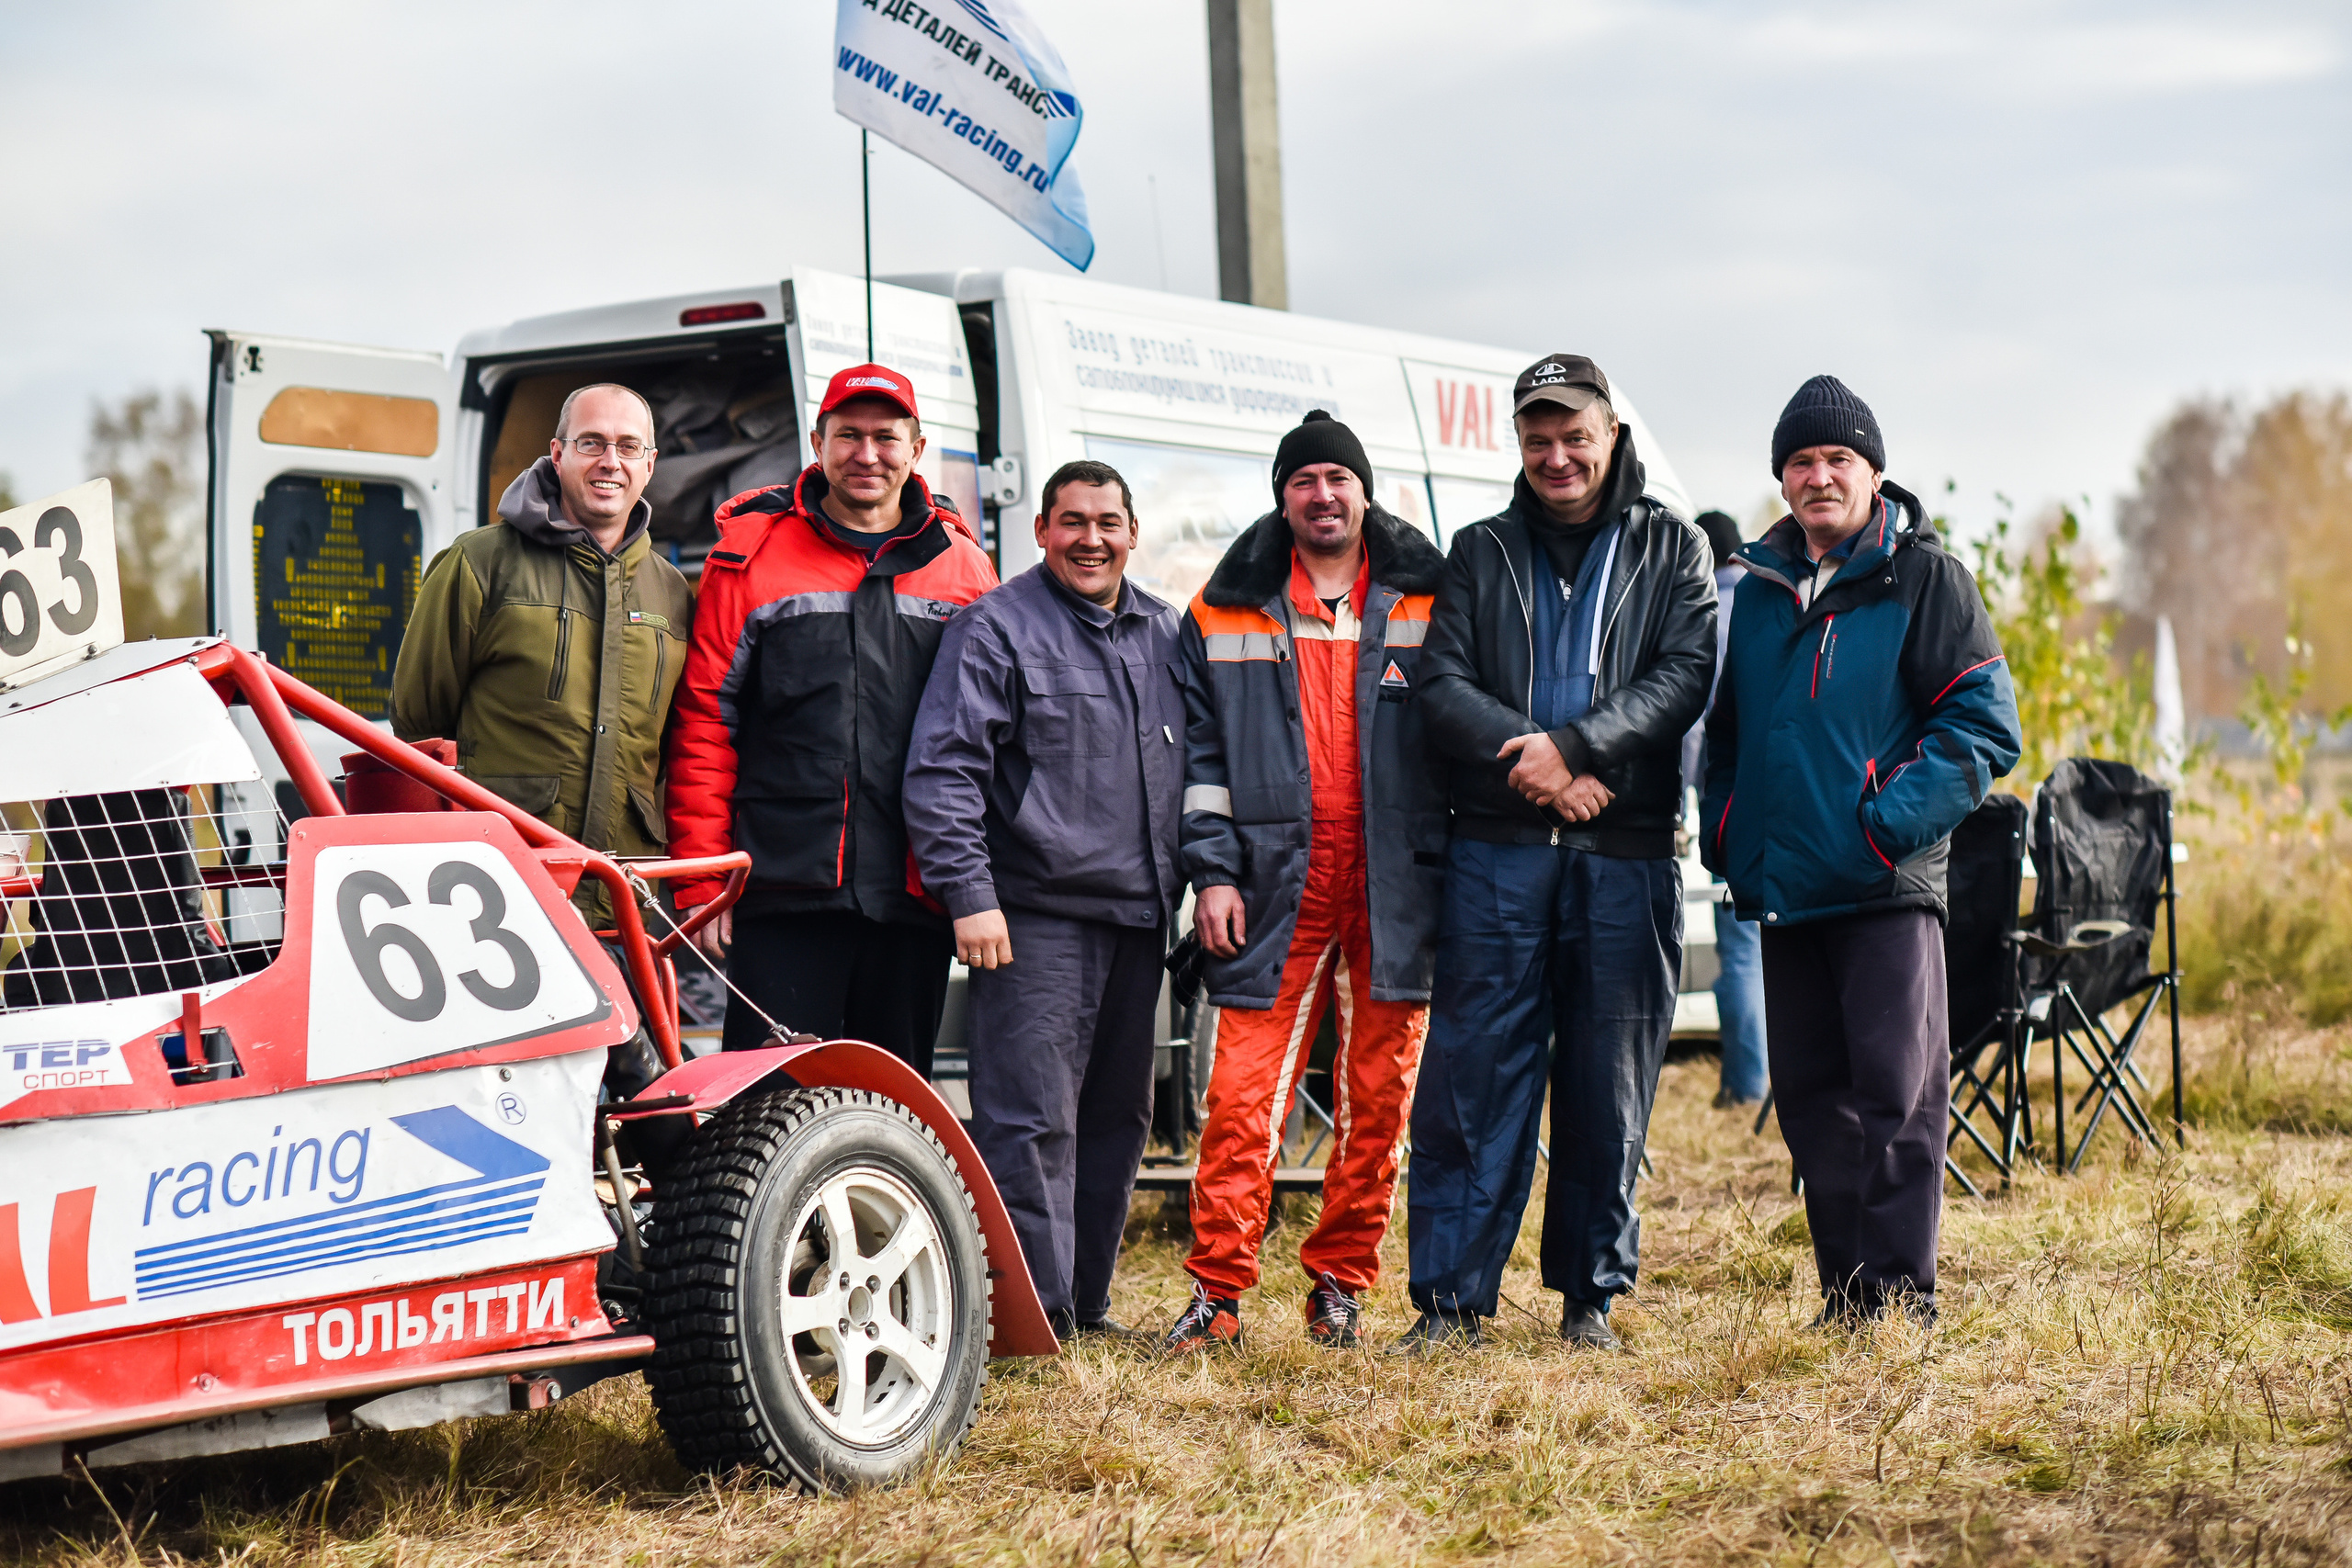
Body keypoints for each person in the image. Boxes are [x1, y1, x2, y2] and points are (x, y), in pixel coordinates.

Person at [1408, 355, 1715, 1353]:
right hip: (1498, 854)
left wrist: (1578, 751)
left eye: (1573, 435)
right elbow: (1439, 685)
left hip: (1624, 856)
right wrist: (1535, 763)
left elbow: (1685, 676)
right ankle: (1450, 1303)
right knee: (1472, 1083)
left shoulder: (1674, 549)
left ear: (1610, 436)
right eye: (1537, 438)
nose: (1556, 456)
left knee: (1606, 1081)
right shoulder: (1479, 550)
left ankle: (1590, 1298)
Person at [1701, 375, 2019, 1326]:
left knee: (1899, 1098)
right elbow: (1727, 735)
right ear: (1782, 479)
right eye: (1801, 461)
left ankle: (1902, 1294)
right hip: (1787, 890)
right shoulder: (1757, 592)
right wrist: (1729, 836)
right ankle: (1845, 1299)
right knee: (1808, 1102)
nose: (1819, 475)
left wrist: (1882, 825)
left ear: (1872, 471)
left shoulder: (1923, 577)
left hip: (1884, 887)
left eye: (1837, 458)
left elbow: (1982, 727)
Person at [1160, 410, 1448, 1354]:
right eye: (1304, 480)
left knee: (1380, 1098)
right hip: (1267, 878)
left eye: (1339, 478)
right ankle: (1217, 1295)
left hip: (1397, 878)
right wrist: (1211, 875)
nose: (1322, 496)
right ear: (1282, 496)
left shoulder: (1433, 597)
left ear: (1366, 491)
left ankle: (1339, 1286)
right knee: (1242, 1097)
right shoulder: (1223, 604)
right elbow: (1197, 759)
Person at [904, 459, 1182, 1341]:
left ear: (1134, 533)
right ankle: (1034, 1318)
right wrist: (970, 895)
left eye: (1107, 521)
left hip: (1142, 920)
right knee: (1030, 1124)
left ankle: (1087, 1307)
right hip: (1035, 920)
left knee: (1118, 1120)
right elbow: (944, 771)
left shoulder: (1169, 633)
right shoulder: (997, 629)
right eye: (1072, 521)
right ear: (1041, 531)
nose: (1090, 539)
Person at [666, 364, 997, 1072]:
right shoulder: (747, 558)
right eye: (848, 435)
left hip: (914, 897)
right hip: (782, 889)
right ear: (817, 443)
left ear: (917, 448)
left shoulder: (964, 569)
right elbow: (703, 726)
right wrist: (701, 881)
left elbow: (990, 744)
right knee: (763, 1104)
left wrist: (979, 884)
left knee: (893, 1105)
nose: (866, 453)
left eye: (886, 436)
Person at [395, 383, 691, 930]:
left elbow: (670, 750)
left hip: (621, 895)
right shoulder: (477, 562)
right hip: (494, 893)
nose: (611, 462)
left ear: (650, 465)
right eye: (592, 443)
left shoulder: (672, 594)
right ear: (558, 455)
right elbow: (419, 724)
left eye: (629, 447)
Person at [1681, 509, 1770, 1109]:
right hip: (1788, 803)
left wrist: (1688, 800)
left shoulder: (1708, 617)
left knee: (1737, 947)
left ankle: (1746, 1082)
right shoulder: (1770, 605)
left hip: (1734, 801)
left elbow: (1693, 723)